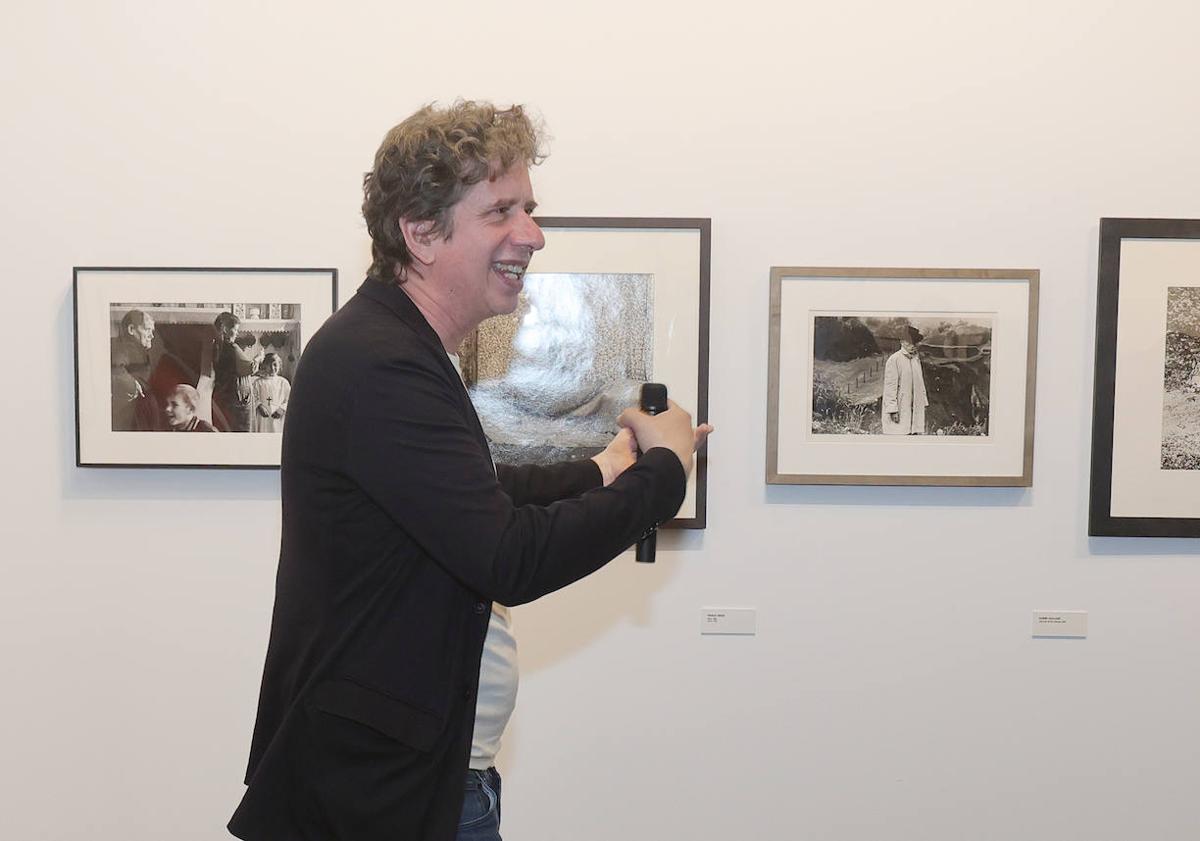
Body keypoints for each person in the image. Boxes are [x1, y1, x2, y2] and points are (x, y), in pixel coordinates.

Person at [228, 101, 710, 841]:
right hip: (383, 798)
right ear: (420, 234)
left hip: (414, 783)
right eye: (501, 211)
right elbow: (505, 556)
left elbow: (470, 496)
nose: (533, 234)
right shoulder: (381, 361)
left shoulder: (397, 348)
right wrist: (665, 475)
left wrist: (608, 468)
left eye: (530, 208)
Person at [212, 311, 260, 432]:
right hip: (236, 401)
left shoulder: (215, 347)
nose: (237, 333)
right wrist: (259, 358)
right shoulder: (232, 347)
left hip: (223, 399)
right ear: (225, 329)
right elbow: (250, 368)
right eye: (235, 329)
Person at [110, 309, 157, 431]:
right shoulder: (122, 347)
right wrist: (133, 386)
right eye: (147, 329)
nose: (151, 335)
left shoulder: (139, 352)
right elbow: (116, 370)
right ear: (131, 330)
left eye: (152, 331)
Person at [882, 324, 929, 435]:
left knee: (914, 433)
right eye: (909, 342)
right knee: (900, 433)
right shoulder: (894, 360)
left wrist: (924, 402)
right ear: (902, 342)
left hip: (915, 403)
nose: (913, 345)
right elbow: (890, 387)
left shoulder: (915, 359)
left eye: (914, 343)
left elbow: (920, 383)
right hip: (900, 406)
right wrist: (892, 410)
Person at [251, 353, 290, 433]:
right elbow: (253, 397)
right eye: (269, 365)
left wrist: (282, 409)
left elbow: (290, 399)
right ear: (265, 366)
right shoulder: (258, 382)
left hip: (278, 416)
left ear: (279, 365)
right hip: (263, 417)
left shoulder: (283, 382)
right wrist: (259, 405)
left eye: (275, 365)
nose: (272, 368)